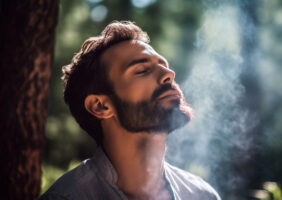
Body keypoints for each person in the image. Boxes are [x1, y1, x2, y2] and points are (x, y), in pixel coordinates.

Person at [39, 21, 221, 200]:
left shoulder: (202, 195)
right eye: (142, 70)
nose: (169, 74)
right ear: (101, 106)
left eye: (164, 65)